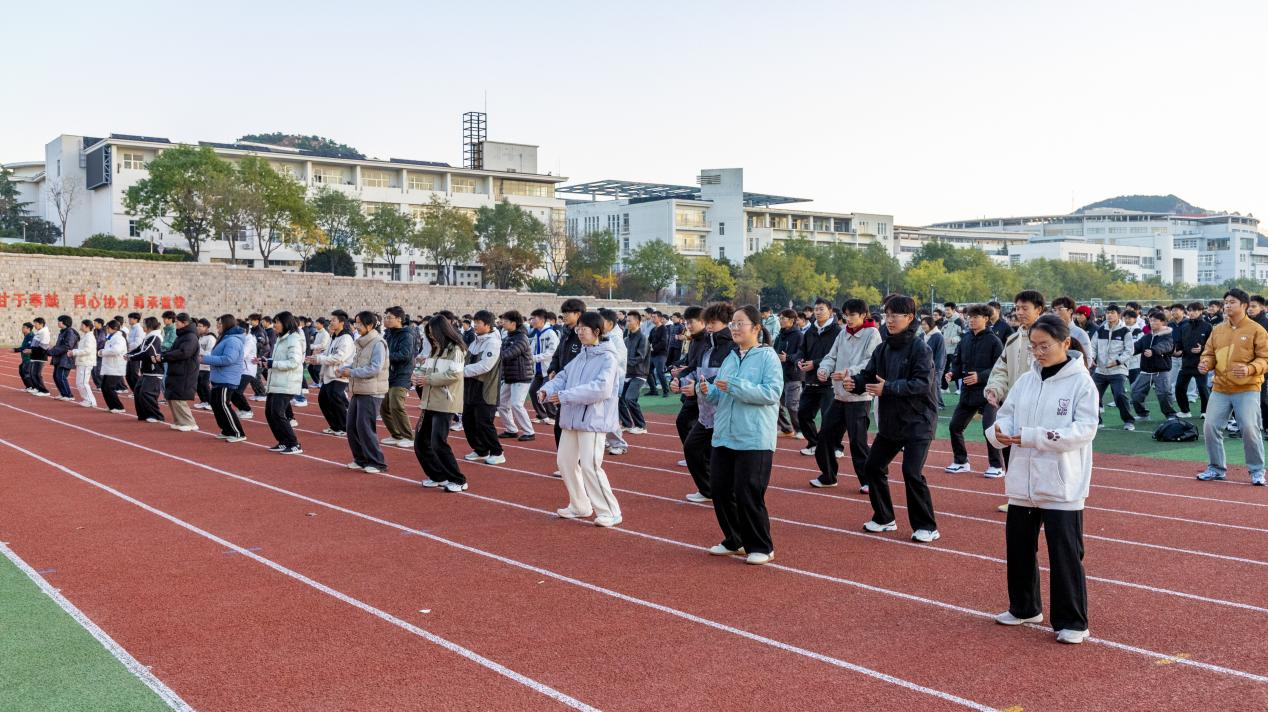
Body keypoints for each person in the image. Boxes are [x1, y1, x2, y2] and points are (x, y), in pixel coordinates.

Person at [986, 314, 1096, 645]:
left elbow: (1084, 430)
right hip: (1023, 482)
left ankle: (1072, 621)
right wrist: (999, 432)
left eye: (1044, 346)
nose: (1038, 352)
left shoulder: (1081, 383)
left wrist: (1033, 436)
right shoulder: (1026, 380)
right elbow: (1005, 415)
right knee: (1019, 549)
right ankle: (1024, 607)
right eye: (1033, 346)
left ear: (1065, 343)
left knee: (1065, 554)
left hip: (1062, 484)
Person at [842, 295, 941, 543]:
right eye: (887, 315)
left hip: (918, 420)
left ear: (909, 318)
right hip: (891, 421)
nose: (890, 320)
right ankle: (884, 518)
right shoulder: (883, 348)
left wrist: (888, 388)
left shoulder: (921, 348)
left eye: (895, 316)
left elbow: (922, 383)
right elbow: (868, 376)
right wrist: (855, 383)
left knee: (912, 472)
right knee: (873, 466)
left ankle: (927, 526)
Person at [700, 304, 783, 565]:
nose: (734, 328)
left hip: (754, 437)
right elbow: (721, 395)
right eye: (732, 324)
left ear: (756, 328)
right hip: (725, 434)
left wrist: (735, 386)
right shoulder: (731, 357)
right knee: (721, 490)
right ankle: (734, 540)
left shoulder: (767, 357)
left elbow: (771, 393)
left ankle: (762, 546)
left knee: (748, 492)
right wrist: (707, 391)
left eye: (740, 323)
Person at [539, 311, 624, 528]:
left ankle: (610, 511)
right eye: (578, 328)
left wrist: (565, 396)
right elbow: (563, 377)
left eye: (583, 329)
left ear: (597, 331)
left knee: (590, 466)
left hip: (593, 419)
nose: (579, 332)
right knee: (565, 462)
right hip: (572, 417)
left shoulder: (608, 357)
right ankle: (579, 505)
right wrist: (547, 390)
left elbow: (601, 389)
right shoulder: (582, 355)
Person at [1196, 289, 1268, 485]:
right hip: (1220, 387)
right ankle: (1216, 468)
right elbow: (1209, 353)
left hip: (1247, 388)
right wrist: (1205, 363)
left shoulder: (1257, 330)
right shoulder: (1218, 330)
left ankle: (1257, 471)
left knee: (1250, 429)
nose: (1227, 305)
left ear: (1244, 305)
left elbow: (1265, 358)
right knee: (1210, 427)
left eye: (1232, 302)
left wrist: (1250, 369)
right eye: (1226, 302)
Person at [811, 298, 881, 491]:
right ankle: (828, 476)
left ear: (863, 315)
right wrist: (824, 369)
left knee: (857, 442)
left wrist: (848, 372)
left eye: (852, 315)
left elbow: (871, 362)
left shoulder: (872, 333)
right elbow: (831, 356)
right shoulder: (843, 333)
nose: (848, 319)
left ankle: (869, 481)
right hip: (839, 395)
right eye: (846, 315)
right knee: (824, 437)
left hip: (858, 397)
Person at [677, 303, 736, 503]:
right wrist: (680, 381)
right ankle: (708, 489)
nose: (709, 326)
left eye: (713, 322)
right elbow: (695, 369)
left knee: (723, 456)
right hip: (706, 411)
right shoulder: (707, 345)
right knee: (692, 447)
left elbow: (724, 377)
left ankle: (724, 492)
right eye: (707, 322)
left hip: (725, 412)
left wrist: (696, 387)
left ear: (726, 323)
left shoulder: (732, 347)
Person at [945, 304, 1005, 477]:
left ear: (986, 319)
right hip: (968, 392)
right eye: (969, 317)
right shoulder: (965, 339)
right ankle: (961, 462)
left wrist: (980, 376)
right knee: (955, 426)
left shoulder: (994, 341)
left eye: (975, 317)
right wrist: (953, 374)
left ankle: (997, 466)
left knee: (989, 429)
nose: (971, 320)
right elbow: (958, 363)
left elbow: (1000, 368)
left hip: (989, 393)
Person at [413, 315, 468, 492]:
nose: (431, 336)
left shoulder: (456, 350)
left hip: (445, 401)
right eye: (429, 333)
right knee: (420, 442)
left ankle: (458, 480)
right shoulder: (435, 349)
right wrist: (417, 374)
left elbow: (455, 375)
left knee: (438, 442)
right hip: (429, 401)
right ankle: (438, 476)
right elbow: (425, 369)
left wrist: (428, 379)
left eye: (433, 332)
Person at [340, 311, 390, 474]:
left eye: (360, 323)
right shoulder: (361, 342)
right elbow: (357, 364)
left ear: (370, 325)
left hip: (372, 391)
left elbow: (375, 368)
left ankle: (377, 462)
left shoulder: (378, 343)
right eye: (356, 323)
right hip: (359, 389)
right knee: (351, 426)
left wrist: (351, 373)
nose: (356, 326)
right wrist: (345, 369)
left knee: (365, 427)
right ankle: (360, 459)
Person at [797, 297, 842, 456]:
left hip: (829, 382)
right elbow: (802, 350)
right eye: (816, 309)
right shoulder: (810, 331)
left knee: (829, 418)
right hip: (810, 380)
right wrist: (799, 360)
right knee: (803, 414)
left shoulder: (838, 332)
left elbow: (836, 356)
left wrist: (815, 364)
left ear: (830, 311)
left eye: (821, 309)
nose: (817, 312)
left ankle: (835, 447)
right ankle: (814, 443)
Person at [461, 310, 505, 465]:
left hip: (486, 388)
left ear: (488, 325)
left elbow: (485, 366)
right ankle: (480, 450)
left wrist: (461, 371)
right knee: (468, 421)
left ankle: (497, 452)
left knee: (484, 422)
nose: (475, 325)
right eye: (475, 322)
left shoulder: (493, 342)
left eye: (478, 323)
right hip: (470, 387)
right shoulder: (475, 341)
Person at [670, 306, 708, 468]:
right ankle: (694, 455)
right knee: (685, 422)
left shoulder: (708, 341)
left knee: (689, 423)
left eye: (691, 322)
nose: (688, 326)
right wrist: (679, 370)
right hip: (692, 388)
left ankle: (698, 456)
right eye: (687, 323)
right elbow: (690, 362)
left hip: (703, 389)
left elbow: (698, 365)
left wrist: (685, 371)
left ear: (703, 321)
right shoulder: (694, 340)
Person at [263, 311, 306, 455]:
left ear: (285, 323)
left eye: (277, 322)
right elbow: (278, 360)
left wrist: (273, 364)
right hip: (276, 381)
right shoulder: (281, 338)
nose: (274, 325)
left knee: (277, 412)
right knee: (269, 412)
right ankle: (283, 441)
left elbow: (294, 362)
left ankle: (294, 444)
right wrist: (267, 361)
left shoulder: (293, 339)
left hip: (287, 382)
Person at [1090, 304, 1136, 431]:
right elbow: (1093, 346)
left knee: (1119, 395)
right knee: (1092, 395)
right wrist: (1092, 358)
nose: (1109, 315)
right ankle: (1097, 421)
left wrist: (1117, 361)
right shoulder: (1100, 330)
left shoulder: (1125, 331)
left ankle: (1129, 421)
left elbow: (1129, 351)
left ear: (1119, 315)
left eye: (1112, 313)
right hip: (1100, 370)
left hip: (1118, 370)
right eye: (1107, 312)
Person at [202, 315, 248, 442]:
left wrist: (204, 359)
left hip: (227, 378)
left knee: (223, 405)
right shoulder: (224, 338)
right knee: (216, 405)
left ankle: (238, 433)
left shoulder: (233, 340)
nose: (217, 326)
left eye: (220, 323)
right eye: (217, 323)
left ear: (227, 324)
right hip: (219, 377)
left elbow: (228, 359)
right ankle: (227, 430)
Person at [310, 310, 356, 436]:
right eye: (331, 320)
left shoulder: (346, 338)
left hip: (339, 374)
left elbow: (338, 358)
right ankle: (335, 426)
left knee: (335, 399)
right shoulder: (334, 336)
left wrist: (319, 359)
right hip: (329, 374)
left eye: (334, 320)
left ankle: (344, 427)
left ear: (342, 322)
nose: (330, 322)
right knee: (323, 399)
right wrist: (315, 358)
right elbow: (327, 353)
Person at [380, 306, 417, 449]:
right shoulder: (388, 333)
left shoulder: (406, 335)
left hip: (402, 375)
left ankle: (409, 436)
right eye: (386, 317)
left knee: (396, 405)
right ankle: (396, 435)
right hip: (389, 374)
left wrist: (384, 357)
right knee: (384, 407)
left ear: (399, 319)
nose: (386, 320)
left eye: (389, 317)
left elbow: (405, 355)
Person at [1131, 309, 1178, 422]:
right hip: (1145, 371)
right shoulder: (1146, 337)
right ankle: (1143, 415)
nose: (1152, 323)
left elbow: (1166, 346)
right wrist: (1124, 352)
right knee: (1135, 392)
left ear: (1163, 322)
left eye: (1155, 320)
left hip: (1161, 372)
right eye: (1150, 320)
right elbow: (1135, 347)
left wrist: (1153, 351)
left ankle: (1170, 414)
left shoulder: (1167, 336)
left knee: (1164, 394)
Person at [495, 310, 536, 442]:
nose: (502, 323)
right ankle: (511, 430)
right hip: (509, 376)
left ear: (513, 323)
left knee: (517, 404)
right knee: (501, 403)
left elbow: (509, 354)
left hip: (522, 376)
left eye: (505, 321)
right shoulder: (508, 337)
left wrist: (491, 357)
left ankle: (529, 432)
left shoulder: (522, 338)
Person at [155, 313, 200, 431]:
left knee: (179, 398)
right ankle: (179, 421)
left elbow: (184, 352)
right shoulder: (182, 336)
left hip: (185, 372)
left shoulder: (191, 336)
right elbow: (173, 350)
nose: (175, 324)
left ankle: (189, 422)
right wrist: (162, 356)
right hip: (176, 370)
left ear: (184, 323)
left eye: (177, 322)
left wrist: (164, 357)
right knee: (172, 397)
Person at [1174, 302, 1212, 418]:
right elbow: (1179, 344)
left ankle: (1205, 412)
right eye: (1190, 310)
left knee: (1202, 388)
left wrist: (1202, 349)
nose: (1191, 313)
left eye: (1195, 310)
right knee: (1179, 387)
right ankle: (1185, 411)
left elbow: (1212, 345)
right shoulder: (1184, 326)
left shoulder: (1207, 326)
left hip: (1201, 363)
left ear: (1200, 311)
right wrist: (1177, 351)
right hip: (1186, 363)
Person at [126, 317, 165, 423]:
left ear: (149, 326)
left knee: (147, 393)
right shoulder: (148, 337)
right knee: (138, 391)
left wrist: (131, 357)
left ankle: (156, 415)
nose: (143, 326)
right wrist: (129, 354)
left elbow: (147, 352)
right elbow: (140, 348)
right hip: (146, 371)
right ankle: (143, 414)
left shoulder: (155, 337)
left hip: (154, 371)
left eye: (144, 324)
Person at [774, 309, 804, 438]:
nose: (780, 321)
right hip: (779, 374)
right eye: (780, 318)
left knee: (792, 405)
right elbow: (774, 350)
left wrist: (788, 358)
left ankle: (801, 430)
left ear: (792, 320)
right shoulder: (780, 335)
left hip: (793, 375)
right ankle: (786, 429)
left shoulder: (799, 335)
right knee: (775, 403)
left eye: (783, 318)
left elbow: (802, 354)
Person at [619, 311, 650, 434]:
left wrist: (624, 363)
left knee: (630, 398)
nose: (627, 323)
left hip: (639, 374)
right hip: (628, 374)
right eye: (627, 320)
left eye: (629, 320)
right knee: (620, 398)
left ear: (637, 322)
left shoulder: (643, 338)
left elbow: (640, 357)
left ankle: (641, 426)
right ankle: (626, 423)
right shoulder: (626, 339)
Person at [528, 309, 559, 423]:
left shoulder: (550, 333)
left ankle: (553, 416)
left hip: (548, 369)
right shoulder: (537, 333)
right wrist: (529, 357)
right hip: (538, 369)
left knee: (546, 392)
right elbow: (531, 349)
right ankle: (542, 415)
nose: (531, 321)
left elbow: (552, 351)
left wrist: (535, 358)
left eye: (534, 318)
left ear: (541, 320)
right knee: (533, 391)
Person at [98, 320, 129, 414]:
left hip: (115, 366)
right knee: (104, 387)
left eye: (108, 328)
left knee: (109, 387)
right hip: (110, 366)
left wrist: (102, 352)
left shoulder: (119, 338)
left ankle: (119, 407)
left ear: (114, 328)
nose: (107, 329)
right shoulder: (111, 337)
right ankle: (111, 406)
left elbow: (116, 350)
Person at [47, 315, 79, 401]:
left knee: (61, 377)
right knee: (56, 376)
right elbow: (59, 345)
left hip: (66, 359)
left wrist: (52, 352)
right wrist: (51, 350)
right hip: (59, 358)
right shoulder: (62, 332)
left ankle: (69, 395)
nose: (58, 323)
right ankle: (63, 393)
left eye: (59, 321)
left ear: (65, 322)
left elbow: (67, 346)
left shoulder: (70, 332)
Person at [68, 320, 98, 408]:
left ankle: (91, 401)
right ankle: (87, 399)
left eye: (82, 325)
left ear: (87, 326)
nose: (80, 326)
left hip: (86, 362)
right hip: (82, 361)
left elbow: (87, 350)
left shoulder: (89, 337)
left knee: (83, 383)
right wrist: (74, 351)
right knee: (79, 382)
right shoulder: (85, 336)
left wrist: (74, 352)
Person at [921, 316, 947, 410]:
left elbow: (941, 354)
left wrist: (937, 368)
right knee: (925, 385)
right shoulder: (921, 336)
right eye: (922, 324)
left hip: (936, 366)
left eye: (925, 324)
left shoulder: (938, 336)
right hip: (924, 366)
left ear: (930, 325)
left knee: (935, 385)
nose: (923, 326)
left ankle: (939, 404)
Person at [647, 312, 671, 396]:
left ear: (660, 318)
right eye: (652, 317)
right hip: (652, 354)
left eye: (654, 317)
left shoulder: (664, 329)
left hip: (661, 354)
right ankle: (653, 390)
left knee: (659, 372)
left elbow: (664, 342)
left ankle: (666, 391)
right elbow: (648, 340)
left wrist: (654, 348)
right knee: (647, 371)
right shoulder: (653, 329)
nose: (652, 319)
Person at [15, 322, 34, 391]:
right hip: (25, 358)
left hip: (29, 358)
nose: (22, 329)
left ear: (28, 329)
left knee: (26, 372)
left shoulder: (31, 336)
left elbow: (27, 347)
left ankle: (32, 387)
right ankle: (28, 387)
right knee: (22, 370)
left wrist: (16, 349)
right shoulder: (26, 335)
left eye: (24, 327)